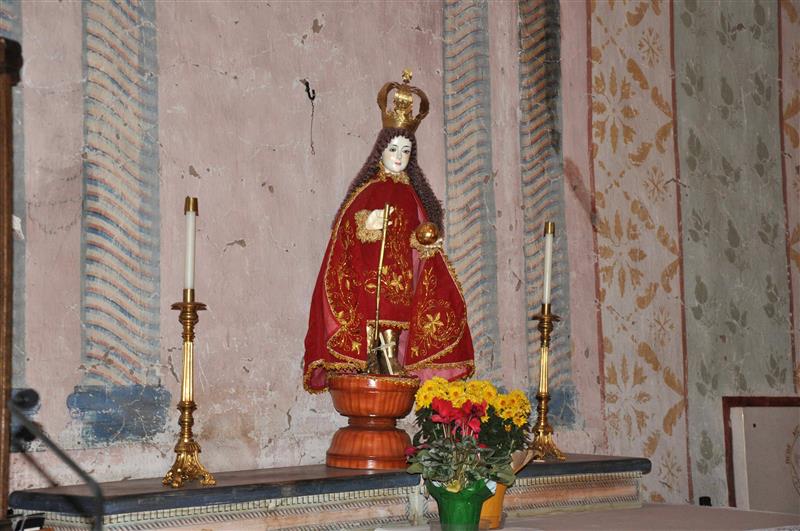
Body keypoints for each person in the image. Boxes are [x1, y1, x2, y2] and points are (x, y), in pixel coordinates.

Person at [303, 71, 474, 393]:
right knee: (372, 311)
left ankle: (390, 355)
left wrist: (425, 239)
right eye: (394, 149)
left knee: (396, 314)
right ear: (381, 151)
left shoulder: (413, 194)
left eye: (405, 151)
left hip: (400, 273)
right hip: (369, 271)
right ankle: (370, 357)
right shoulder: (367, 190)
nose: (399, 157)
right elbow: (346, 226)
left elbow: (420, 230)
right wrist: (367, 223)